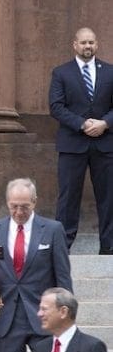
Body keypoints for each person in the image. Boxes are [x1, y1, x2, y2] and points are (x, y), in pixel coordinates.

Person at [0, 178, 73, 352]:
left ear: (35, 202)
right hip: (7, 316)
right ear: (7, 203)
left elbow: (63, 276)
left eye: (25, 206)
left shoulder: (53, 229)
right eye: (13, 207)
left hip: (44, 313)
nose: (19, 212)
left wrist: (66, 314)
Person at [49, 27, 113, 254]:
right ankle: (62, 249)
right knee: (68, 198)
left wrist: (104, 123)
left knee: (109, 197)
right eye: (83, 42)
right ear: (74, 45)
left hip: (105, 144)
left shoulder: (109, 72)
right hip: (72, 144)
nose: (88, 46)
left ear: (97, 44)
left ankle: (109, 248)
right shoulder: (61, 73)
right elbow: (56, 106)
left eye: (91, 42)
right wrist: (83, 124)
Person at [30, 287, 112, 352]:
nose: (39, 314)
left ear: (63, 312)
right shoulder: (41, 348)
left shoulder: (92, 348)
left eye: (44, 309)